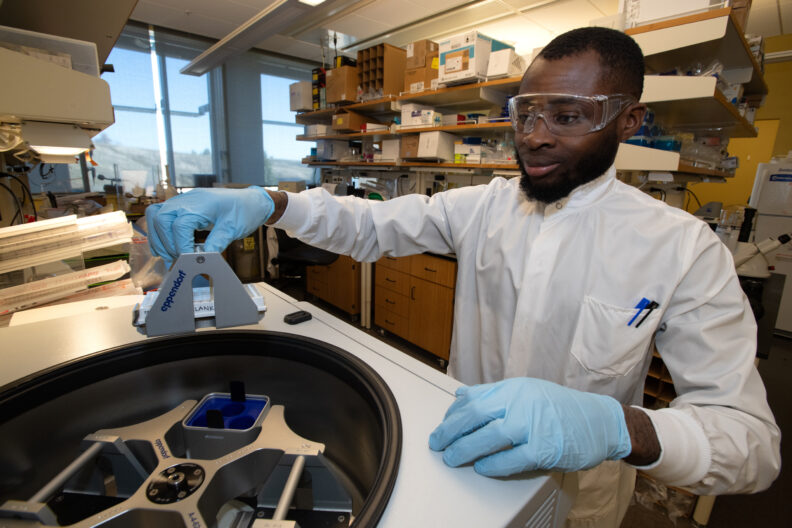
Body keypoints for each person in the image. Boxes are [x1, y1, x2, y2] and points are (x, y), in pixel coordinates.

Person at [146, 27, 780, 527]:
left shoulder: (682, 248)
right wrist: (270, 201)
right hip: (457, 457)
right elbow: (370, 227)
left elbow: (751, 445)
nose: (533, 137)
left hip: (580, 494)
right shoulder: (482, 206)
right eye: (525, 112)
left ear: (628, 121)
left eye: (566, 116)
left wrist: (619, 426)